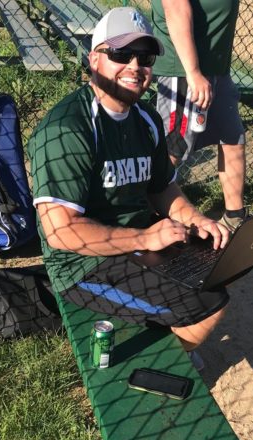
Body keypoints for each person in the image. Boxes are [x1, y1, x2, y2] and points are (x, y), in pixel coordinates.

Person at [28, 7, 231, 365]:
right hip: (81, 265)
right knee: (209, 306)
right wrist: (145, 239)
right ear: (94, 60)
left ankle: (167, 335)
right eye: (121, 54)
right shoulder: (67, 128)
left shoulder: (146, 118)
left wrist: (196, 219)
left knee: (216, 266)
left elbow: (162, 188)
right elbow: (60, 231)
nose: (135, 66)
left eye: (145, 56)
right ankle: (166, 360)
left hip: (140, 243)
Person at [151, 0, 247, 232]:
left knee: (233, 138)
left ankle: (235, 217)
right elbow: (175, 8)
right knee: (175, 145)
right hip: (184, 68)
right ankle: (146, 210)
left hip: (215, 67)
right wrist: (193, 73)